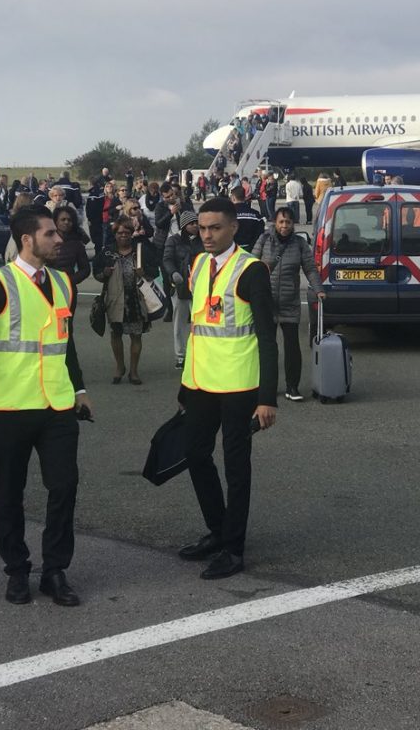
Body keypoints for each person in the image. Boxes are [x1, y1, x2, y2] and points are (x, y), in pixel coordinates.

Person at [0, 207, 92, 606]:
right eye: (50, 234)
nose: (59, 239)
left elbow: (67, 343)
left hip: (58, 406)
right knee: (10, 491)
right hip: (11, 407)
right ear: (28, 239)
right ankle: (16, 569)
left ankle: (55, 571)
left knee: (64, 485)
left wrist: (79, 388)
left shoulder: (65, 283)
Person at [178, 197, 278, 580]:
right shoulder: (199, 263)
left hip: (238, 385)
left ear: (233, 228)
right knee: (194, 455)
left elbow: (268, 339)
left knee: (237, 468)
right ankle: (217, 530)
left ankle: (233, 548)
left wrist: (267, 398)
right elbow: (198, 329)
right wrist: (185, 383)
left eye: (215, 228)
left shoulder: (251, 271)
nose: (207, 235)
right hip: (201, 382)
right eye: (202, 228)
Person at [253, 207, 325, 401]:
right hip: (266, 303)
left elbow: (310, 268)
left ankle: (292, 387)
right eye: (281, 222)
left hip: (290, 303)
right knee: (268, 348)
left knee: (292, 346)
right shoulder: (264, 240)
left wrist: (319, 289)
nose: (284, 226)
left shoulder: (300, 244)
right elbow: (252, 265)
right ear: (275, 223)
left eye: (288, 222)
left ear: (293, 224)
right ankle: (268, 386)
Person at [93, 216, 152, 385]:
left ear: (132, 233)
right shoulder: (107, 252)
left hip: (136, 299)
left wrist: (144, 272)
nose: (123, 236)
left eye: (127, 232)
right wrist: (104, 273)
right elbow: (96, 273)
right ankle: (120, 367)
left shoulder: (140, 250)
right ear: (115, 234)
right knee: (116, 334)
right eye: (120, 233)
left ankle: (134, 371)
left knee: (136, 335)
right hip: (115, 299)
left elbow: (154, 269)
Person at [163, 210, 203, 369]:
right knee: (179, 324)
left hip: (200, 287)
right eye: (192, 223)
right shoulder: (173, 240)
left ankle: (199, 354)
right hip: (180, 288)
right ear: (184, 225)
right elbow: (167, 259)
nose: (196, 226)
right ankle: (181, 356)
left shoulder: (203, 240)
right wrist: (173, 273)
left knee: (199, 323)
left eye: (197, 223)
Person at [153, 182, 194, 320]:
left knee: (187, 277)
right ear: (163, 197)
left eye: (172, 194)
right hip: (165, 244)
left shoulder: (185, 204)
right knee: (167, 279)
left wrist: (181, 210)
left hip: (183, 243)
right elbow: (159, 223)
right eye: (167, 196)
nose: (170, 198)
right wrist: (170, 213)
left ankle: (189, 311)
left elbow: (193, 220)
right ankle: (170, 309)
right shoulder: (160, 207)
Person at [51, 207, 91, 313]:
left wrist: (70, 280)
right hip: (48, 288)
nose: (66, 222)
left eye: (69, 220)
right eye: (63, 219)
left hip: (68, 289)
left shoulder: (77, 244)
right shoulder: (47, 241)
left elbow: (85, 269)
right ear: (55, 221)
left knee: (67, 325)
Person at [230, 186, 264, 252]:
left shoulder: (227, 214)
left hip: (232, 251)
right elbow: (261, 234)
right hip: (251, 250)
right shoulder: (256, 215)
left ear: (233, 198)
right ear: (244, 197)